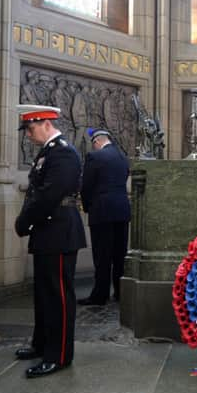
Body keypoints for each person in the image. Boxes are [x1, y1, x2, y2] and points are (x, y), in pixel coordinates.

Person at [14, 104, 86, 378]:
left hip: (59, 231)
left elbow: (48, 195)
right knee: (44, 294)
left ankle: (59, 356)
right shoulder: (48, 153)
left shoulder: (64, 153)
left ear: (46, 124)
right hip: (48, 230)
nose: (28, 136)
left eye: (30, 129)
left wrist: (23, 221)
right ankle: (42, 344)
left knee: (58, 297)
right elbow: (37, 193)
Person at [78, 128, 131, 305]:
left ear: (97, 142)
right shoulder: (123, 158)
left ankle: (100, 295)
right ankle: (120, 292)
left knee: (102, 256)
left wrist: (87, 207)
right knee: (119, 255)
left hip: (101, 212)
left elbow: (86, 186)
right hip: (122, 211)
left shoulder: (95, 157)